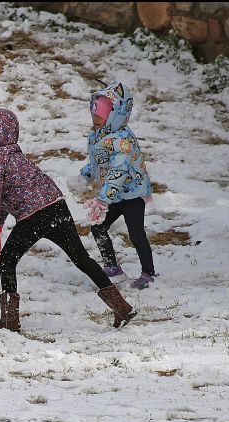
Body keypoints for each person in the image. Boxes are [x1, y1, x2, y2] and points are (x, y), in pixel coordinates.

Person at [0, 108, 137, 331]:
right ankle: (122, 307)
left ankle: (9, 320)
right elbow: (2, 198)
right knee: (81, 258)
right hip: (56, 206)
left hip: (34, 215)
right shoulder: (13, 154)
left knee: (7, 259)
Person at [80, 82, 155, 290]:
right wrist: (85, 174)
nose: (95, 122)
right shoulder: (100, 135)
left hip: (132, 193)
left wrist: (102, 199)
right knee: (98, 227)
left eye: (100, 118)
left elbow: (118, 172)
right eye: (94, 118)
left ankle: (148, 274)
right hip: (114, 195)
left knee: (136, 234)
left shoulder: (122, 140)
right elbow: (101, 162)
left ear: (115, 116)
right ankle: (113, 269)